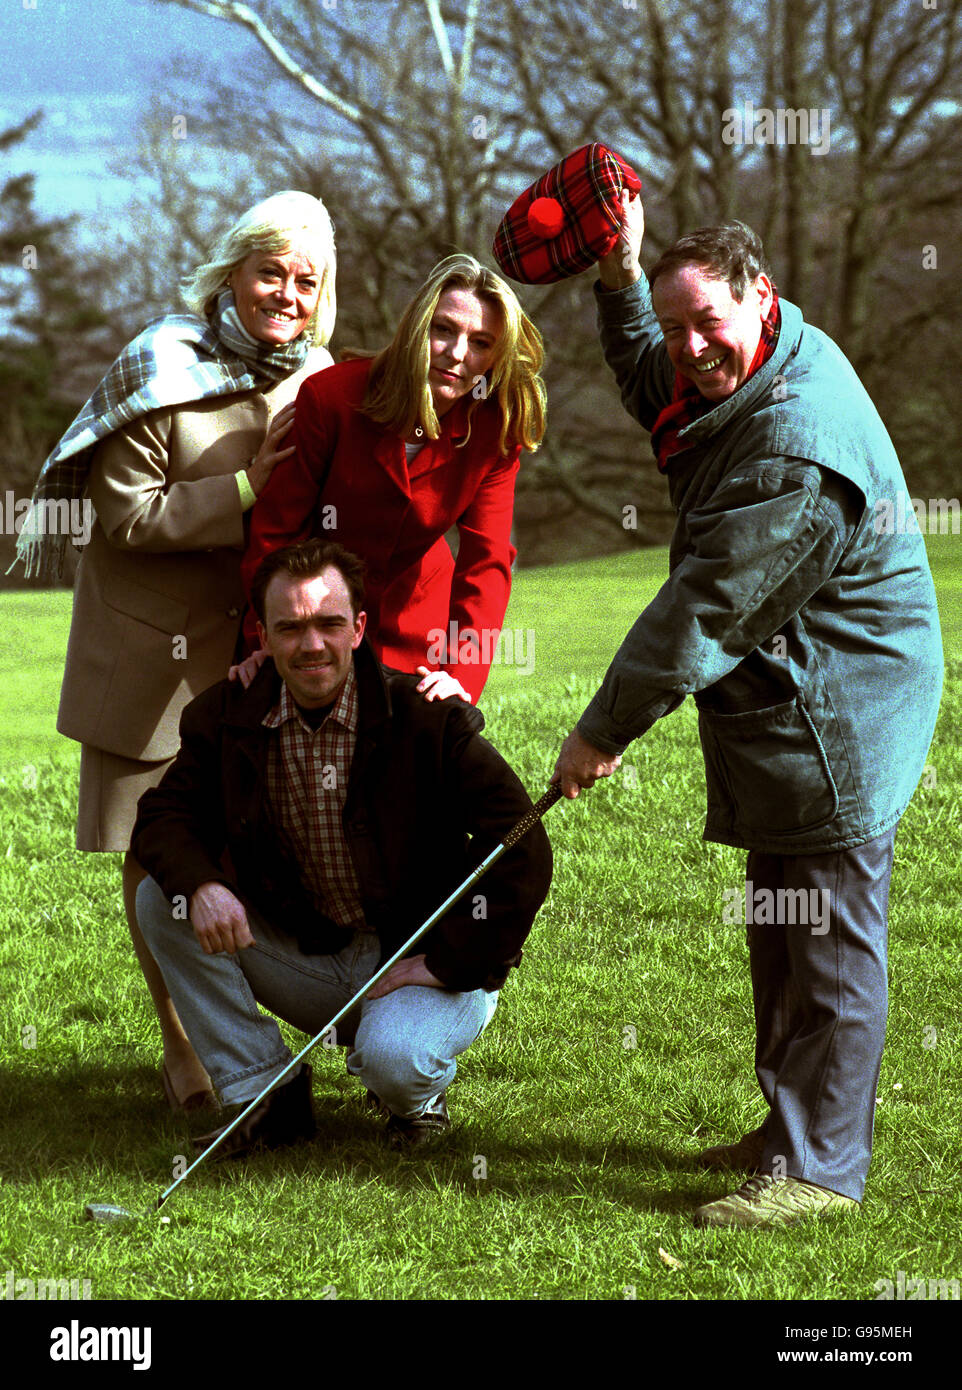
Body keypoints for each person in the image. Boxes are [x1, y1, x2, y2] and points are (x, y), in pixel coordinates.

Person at [551, 196, 943, 1228]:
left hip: (839, 706)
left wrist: (600, 730)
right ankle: (788, 1128)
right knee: (778, 924)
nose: (686, 348)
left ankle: (817, 1170)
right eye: (674, 324)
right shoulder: (755, 357)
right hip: (791, 691)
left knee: (824, 941)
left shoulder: (793, 452)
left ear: (756, 297)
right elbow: (661, 382)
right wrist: (616, 277)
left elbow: (702, 612)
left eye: (703, 323)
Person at [24, 191, 337, 1113]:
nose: (287, 292)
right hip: (146, 656)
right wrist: (246, 485)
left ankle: (243, 1026)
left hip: (251, 652)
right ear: (233, 273)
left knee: (248, 845)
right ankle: (181, 1047)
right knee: (154, 852)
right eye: (270, 272)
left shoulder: (315, 374)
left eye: (305, 279)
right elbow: (124, 515)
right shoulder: (161, 362)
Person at [131, 539, 552, 1153]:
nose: (311, 644)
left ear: (357, 628)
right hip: (308, 957)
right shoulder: (226, 716)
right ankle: (265, 1095)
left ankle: (417, 1095)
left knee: (396, 1063)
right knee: (159, 901)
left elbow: (523, 846)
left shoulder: (425, 715)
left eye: (329, 624)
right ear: (263, 636)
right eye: (291, 627)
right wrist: (203, 884)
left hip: (422, 963)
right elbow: (163, 815)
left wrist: (447, 963)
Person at [237, 254, 547, 704]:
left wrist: (461, 673)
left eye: (481, 342)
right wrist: (263, 642)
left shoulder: (496, 429)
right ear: (417, 326)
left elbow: (487, 562)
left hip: (417, 629)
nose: (457, 354)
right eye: (443, 330)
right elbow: (276, 533)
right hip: (313, 621)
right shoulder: (331, 399)